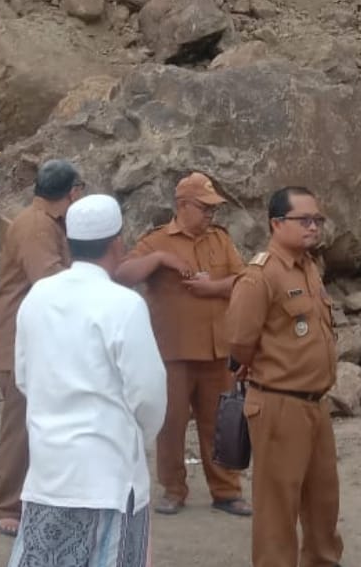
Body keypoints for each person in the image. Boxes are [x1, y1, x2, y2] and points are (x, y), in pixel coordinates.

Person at [8, 194, 167, 567]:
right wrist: (133, 438)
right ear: (117, 244)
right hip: (108, 477)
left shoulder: (38, 296)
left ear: (68, 243)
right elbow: (149, 395)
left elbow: (24, 378)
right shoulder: (124, 304)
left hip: (49, 470)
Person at [114, 171, 251, 517]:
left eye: (213, 209)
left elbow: (245, 281)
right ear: (182, 206)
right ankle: (173, 489)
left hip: (217, 352)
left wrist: (213, 288)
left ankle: (227, 490)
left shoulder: (220, 239)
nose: (210, 215)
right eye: (204, 208)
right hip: (172, 353)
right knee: (171, 424)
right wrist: (160, 260)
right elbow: (122, 275)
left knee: (221, 423)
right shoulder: (157, 241)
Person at [227, 187, 344, 567]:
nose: (314, 227)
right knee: (278, 506)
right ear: (277, 224)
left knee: (323, 499)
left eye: (317, 220)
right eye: (304, 220)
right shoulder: (260, 276)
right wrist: (265, 368)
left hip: (315, 403)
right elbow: (240, 341)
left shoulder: (308, 267)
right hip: (279, 403)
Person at [0, 158, 85, 537]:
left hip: (38, 343)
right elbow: (49, 280)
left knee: (40, 426)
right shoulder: (36, 226)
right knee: (21, 430)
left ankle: (34, 500)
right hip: (22, 346)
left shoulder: (47, 222)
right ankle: (7, 506)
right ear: (72, 192)